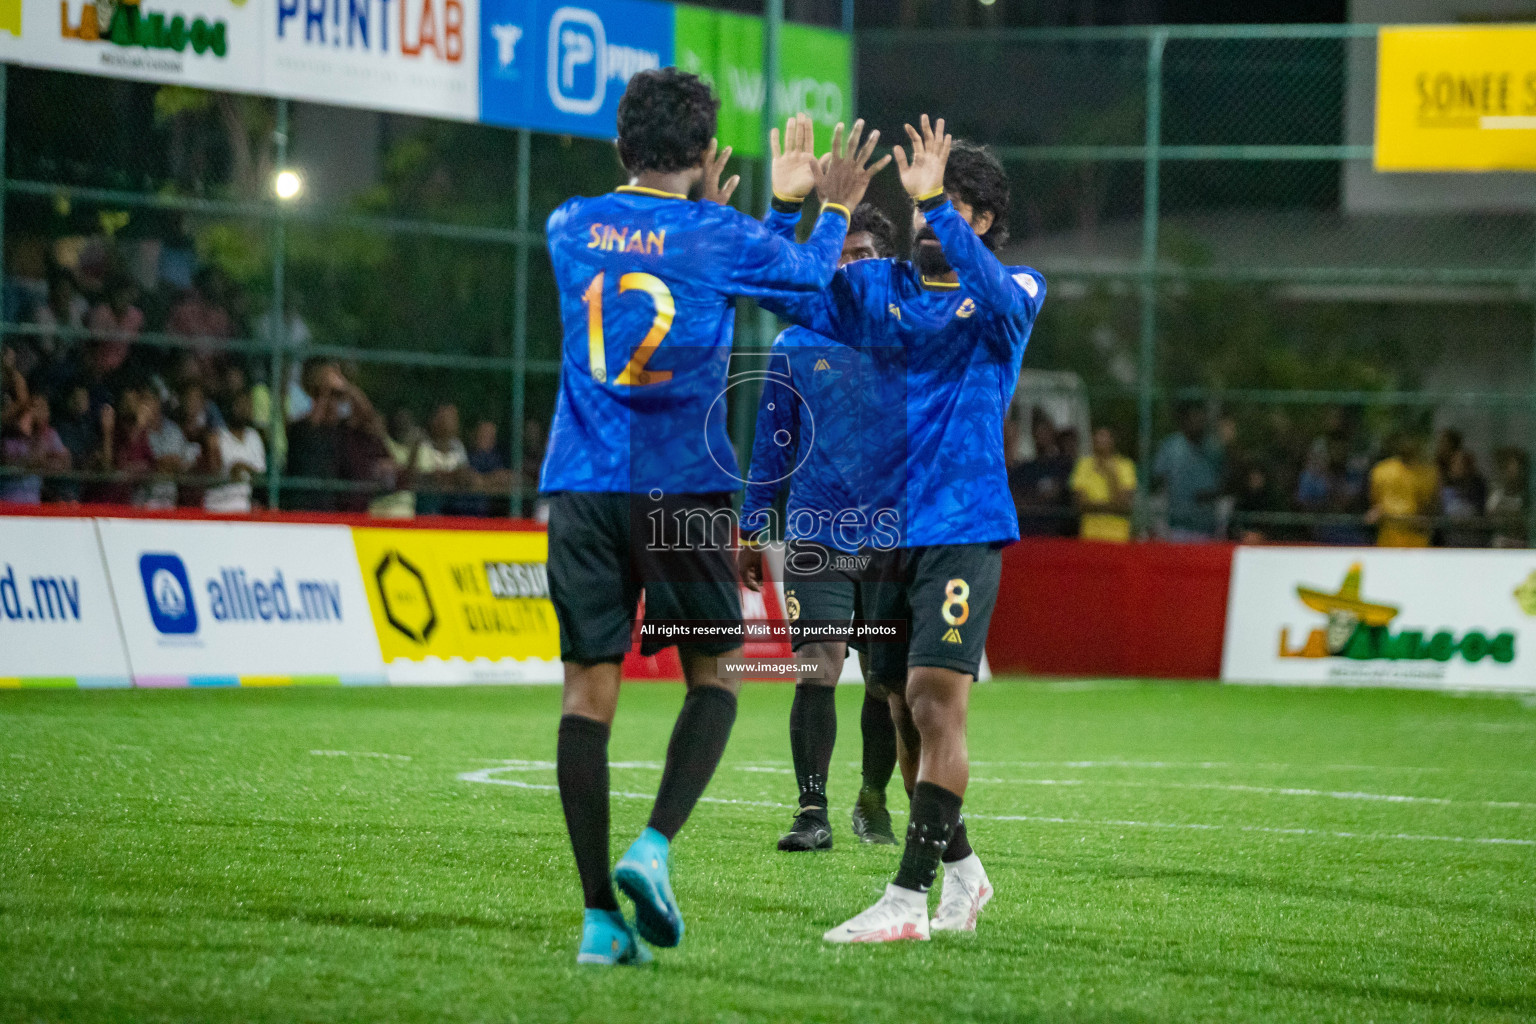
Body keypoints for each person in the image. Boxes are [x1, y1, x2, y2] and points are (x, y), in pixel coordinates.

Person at [538, 69, 882, 966]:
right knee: (714, 678)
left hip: (580, 487)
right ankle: (651, 849)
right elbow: (805, 282)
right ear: (701, 152)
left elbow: (674, 256)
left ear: (622, 146)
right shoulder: (715, 233)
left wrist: (741, 221)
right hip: (678, 490)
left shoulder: (567, 225)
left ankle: (596, 923)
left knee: (586, 695)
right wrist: (827, 206)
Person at [761, 117, 1045, 942]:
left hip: (962, 528)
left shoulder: (1013, 291)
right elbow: (783, 291)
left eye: (949, 202)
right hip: (881, 531)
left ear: (981, 219)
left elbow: (994, 295)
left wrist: (939, 208)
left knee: (931, 705)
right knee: (900, 710)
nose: (925, 215)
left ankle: (905, 902)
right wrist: (800, 208)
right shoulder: (876, 289)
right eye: (922, 201)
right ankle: (963, 874)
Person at [738, 198, 904, 853]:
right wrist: (754, 530)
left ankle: (873, 799)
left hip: (896, 538)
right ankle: (812, 811)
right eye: (842, 254)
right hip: (817, 533)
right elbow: (772, 446)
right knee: (818, 665)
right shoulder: (796, 343)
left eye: (863, 254)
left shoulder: (910, 335)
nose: (851, 265)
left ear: (887, 263)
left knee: (888, 685)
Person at [1152, 403, 1225, 541]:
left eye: (1200, 419)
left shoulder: (1213, 448)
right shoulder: (1171, 446)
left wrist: (1212, 493)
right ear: (1184, 421)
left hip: (1207, 526)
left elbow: (1224, 479)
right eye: (1193, 419)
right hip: (1176, 525)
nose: (1197, 423)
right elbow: (1159, 482)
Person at [1367, 433, 1438, 548]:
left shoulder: (1428, 473)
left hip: (1416, 536)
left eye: (1411, 439)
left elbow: (1431, 504)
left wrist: (1424, 517)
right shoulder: (1381, 470)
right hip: (1388, 535)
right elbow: (1375, 501)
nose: (1407, 443)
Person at [1010, 408, 1073, 536]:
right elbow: (1015, 498)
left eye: (1046, 431)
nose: (1042, 436)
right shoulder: (1024, 468)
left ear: (1053, 433)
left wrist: (1030, 499)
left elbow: (1056, 493)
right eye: (1038, 431)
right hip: (1026, 533)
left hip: (1054, 533)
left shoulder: (1064, 466)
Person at [203, 389, 267, 514]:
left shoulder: (254, 436)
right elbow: (212, 475)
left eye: (246, 405)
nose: (243, 410)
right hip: (216, 506)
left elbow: (260, 473)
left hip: (243, 505)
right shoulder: (217, 437)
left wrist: (242, 467)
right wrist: (229, 470)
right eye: (239, 405)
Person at [1069, 426, 1135, 542]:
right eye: (1097, 437)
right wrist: (1110, 506)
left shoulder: (1125, 466)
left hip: (1118, 536)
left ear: (1112, 441)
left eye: (1104, 437)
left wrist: (1110, 475)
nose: (1100, 441)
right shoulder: (1083, 465)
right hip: (1090, 535)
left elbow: (1124, 505)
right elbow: (1080, 504)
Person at [1, 395, 70, 505]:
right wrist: (38, 461)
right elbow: (13, 464)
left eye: (43, 407)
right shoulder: (9, 438)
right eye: (34, 408)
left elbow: (63, 463)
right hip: (9, 502)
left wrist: (42, 463)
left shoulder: (46, 436)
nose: (38, 412)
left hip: (33, 502)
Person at [414, 402, 470, 516]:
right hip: (427, 509)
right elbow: (424, 477)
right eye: (447, 418)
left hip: (455, 507)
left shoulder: (457, 446)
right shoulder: (424, 446)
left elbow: (464, 476)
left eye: (454, 418)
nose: (452, 423)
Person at [1439, 448, 1488, 548]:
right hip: (1451, 547)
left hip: (1474, 547)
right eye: (1453, 464)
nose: (1456, 468)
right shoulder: (1446, 493)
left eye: (1461, 464)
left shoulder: (1479, 492)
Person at [1486, 447, 1528, 549]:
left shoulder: (1526, 491)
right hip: (1502, 538)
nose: (1514, 470)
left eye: (1517, 466)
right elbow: (1490, 512)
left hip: (1522, 539)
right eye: (1511, 466)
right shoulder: (1497, 490)